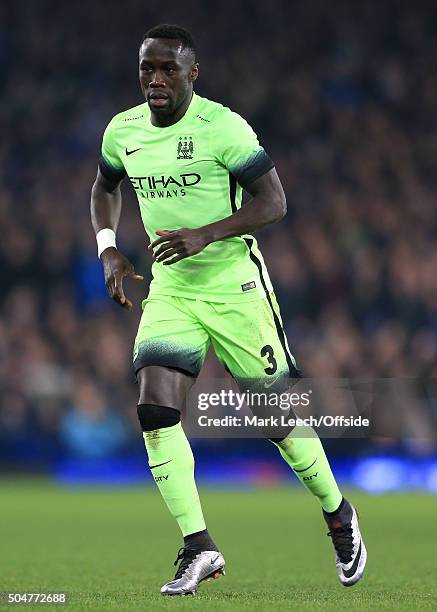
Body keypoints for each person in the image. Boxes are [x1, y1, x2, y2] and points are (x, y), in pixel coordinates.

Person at [90, 23, 367, 596]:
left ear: (194, 72)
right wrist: (110, 248)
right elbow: (105, 186)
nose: (156, 79)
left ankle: (338, 514)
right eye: (147, 68)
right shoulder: (124, 131)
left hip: (235, 285)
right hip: (170, 288)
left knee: (275, 418)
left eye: (169, 68)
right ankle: (199, 547)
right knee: (155, 409)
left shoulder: (223, 127)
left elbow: (274, 201)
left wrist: (206, 234)